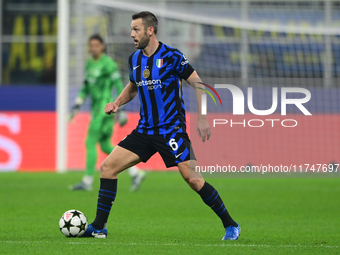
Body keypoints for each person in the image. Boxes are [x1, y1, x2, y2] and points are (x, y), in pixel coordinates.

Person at [84, 12, 240, 240]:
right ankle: (99, 227)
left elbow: (197, 83)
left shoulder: (173, 56)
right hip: (144, 131)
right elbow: (132, 86)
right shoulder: (134, 59)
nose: (131, 34)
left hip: (171, 131)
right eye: (131, 29)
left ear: (150, 30)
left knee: (194, 179)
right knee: (108, 168)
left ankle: (231, 225)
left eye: (136, 29)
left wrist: (202, 118)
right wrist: (117, 103)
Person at [69, 34, 145, 192]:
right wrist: (77, 105)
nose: (93, 48)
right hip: (96, 109)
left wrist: (121, 109)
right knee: (104, 146)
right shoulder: (90, 64)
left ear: (102, 46)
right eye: (91, 45)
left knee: (89, 142)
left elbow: (119, 85)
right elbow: (85, 88)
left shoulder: (108, 64)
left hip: (105, 109)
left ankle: (87, 180)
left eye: (96, 45)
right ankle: (135, 172)